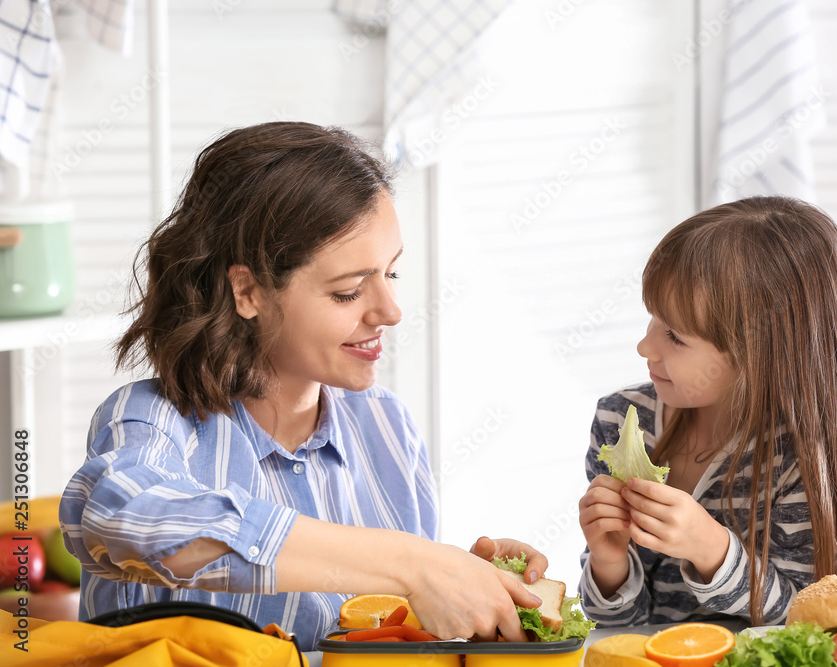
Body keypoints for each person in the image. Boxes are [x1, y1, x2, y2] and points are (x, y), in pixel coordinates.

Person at [59, 122, 547, 650]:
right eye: (348, 292)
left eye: (392, 275)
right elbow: (123, 520)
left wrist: (463, 584)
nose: (390, 311)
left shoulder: (386, 426)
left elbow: (378, 631)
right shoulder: (149, 420)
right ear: (248, 291)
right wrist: (413, 564)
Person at [577, 196, 837, 627]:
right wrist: (608, 562)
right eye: (653, 319)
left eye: (674, 336)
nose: (644, 347)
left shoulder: (801, 457)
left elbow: (812, 623)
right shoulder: (621, 419)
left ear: (759, 355)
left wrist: (711, 551)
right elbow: (614, 626)